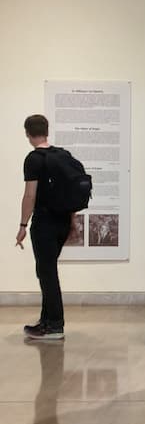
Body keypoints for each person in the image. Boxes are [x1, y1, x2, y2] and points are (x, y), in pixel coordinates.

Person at [17, 114, 72, 340]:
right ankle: (46, 320)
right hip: (63, 222)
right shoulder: (63, 155)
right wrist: (72, 221)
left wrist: (23, 225)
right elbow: (70, 192)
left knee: (47, 273)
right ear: (46, 130)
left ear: (28, 133)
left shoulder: (33, 159)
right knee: (45, 270)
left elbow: (30, 195)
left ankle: (55, 325)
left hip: (45, 223)